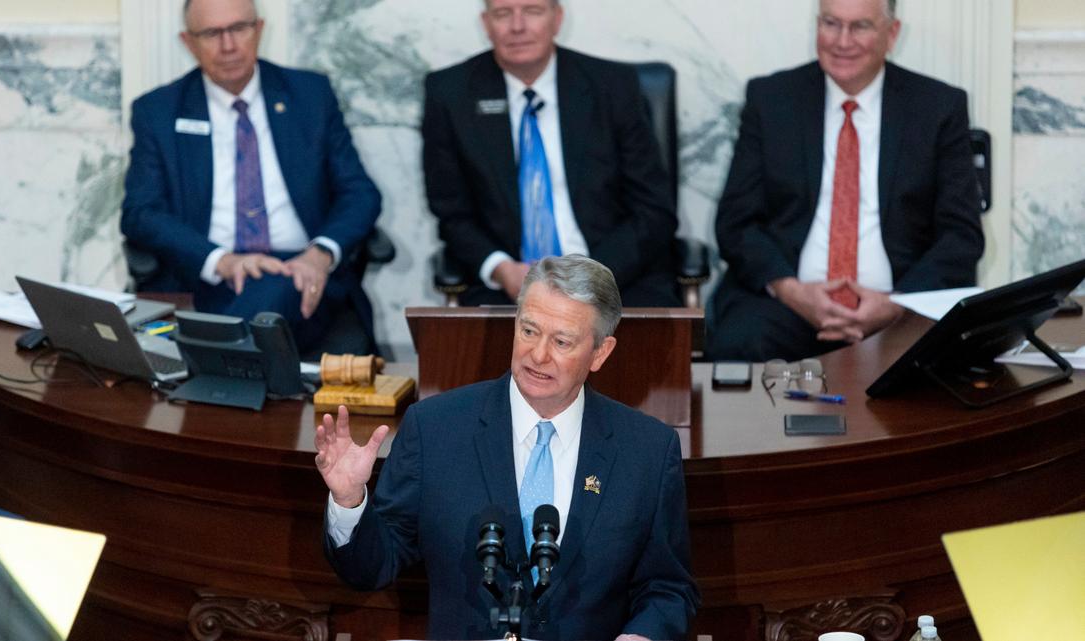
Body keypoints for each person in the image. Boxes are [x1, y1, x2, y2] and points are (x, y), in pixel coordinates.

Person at [316, 255, 699, 640]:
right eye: (529, 331)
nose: (538, 355)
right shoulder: (435, 429)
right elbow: (373, 568)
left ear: (600, 352)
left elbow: (667, 589)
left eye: (562, 341)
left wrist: (643, 636)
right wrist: (349, 502)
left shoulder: (647, 450)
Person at [709, 0, 984, 362]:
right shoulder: (772, 99)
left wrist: (894, 304)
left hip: (897, 306)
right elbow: (736, 221)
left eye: (860, 27)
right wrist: (793, 292)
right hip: (786, 305)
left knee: (949, 366)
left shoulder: (937, 107)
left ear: (892, 34)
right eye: (831, 23)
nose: (842, 41)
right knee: (736, 347)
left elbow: (961, 236)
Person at [121, 0, 381, 355]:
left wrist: (319, 254)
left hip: (305, 277)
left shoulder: (310, 95)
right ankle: (224, 358)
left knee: (282, 281)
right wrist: (221, 261)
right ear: (188, 42)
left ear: (259, 29)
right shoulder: (159, 111)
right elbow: (141, 212)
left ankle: (212, 360)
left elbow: (360, 193)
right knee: (272, 291)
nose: (228, 45)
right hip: (210, 277)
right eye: (212, 33)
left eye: (239, 29)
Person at [422, 0, 680, 307]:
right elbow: (452, 212)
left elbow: (653, 209)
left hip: (616, 278)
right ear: (486, 24)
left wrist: (590, 275)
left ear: (557, 19)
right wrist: (500, 269)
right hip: (508, 289)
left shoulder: (613, 86)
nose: (518, 26)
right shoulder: (450, 93)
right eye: (503, 13)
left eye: (532, 10)